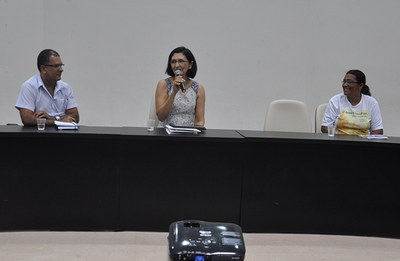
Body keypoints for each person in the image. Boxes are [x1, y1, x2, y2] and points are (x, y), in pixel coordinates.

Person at [15, 49, 79, 126]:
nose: (61, 69)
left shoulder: (65, 87)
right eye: (56, 66)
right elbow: (27, 119)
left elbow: (75, 116)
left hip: (63, 135)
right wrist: (60, 121)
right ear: (43, 69)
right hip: (39, 135)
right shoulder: (29, 86)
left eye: (61, 65)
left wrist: (52, 119)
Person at [321, 69, 383, 135]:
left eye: (349, 82)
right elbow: (325, 127)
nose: (345, 85)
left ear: (361, 85)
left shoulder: (371, 102)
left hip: (363, 143)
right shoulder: (335, 100)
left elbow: (378, 130)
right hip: (340, 142)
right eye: (344, 81)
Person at [155, 46, 205, 127]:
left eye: (181, 61)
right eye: (173, 61)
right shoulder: (163, 84)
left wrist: (195, 136)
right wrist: (174, 92)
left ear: (190, 65)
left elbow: (200, 120)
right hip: (166, 134)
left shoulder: (198, 88)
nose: (177, 65)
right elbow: (161, 117)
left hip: (188, 135)